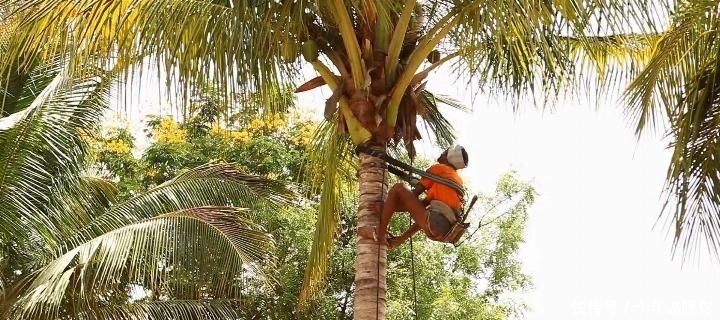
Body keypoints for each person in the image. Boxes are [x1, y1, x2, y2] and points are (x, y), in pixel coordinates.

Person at [358, 145, 468, 248]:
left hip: (436, 222)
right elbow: (416, 206)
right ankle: (398, 241)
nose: (442, 153)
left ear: (449, 156)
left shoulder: (440, 169)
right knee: (426, 212)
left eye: (446, 151)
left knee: (398, 188)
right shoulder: (456, 181)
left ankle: (379, 234)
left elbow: (414, 195)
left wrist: (387, 206)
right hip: (441, 231)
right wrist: (387, 207)